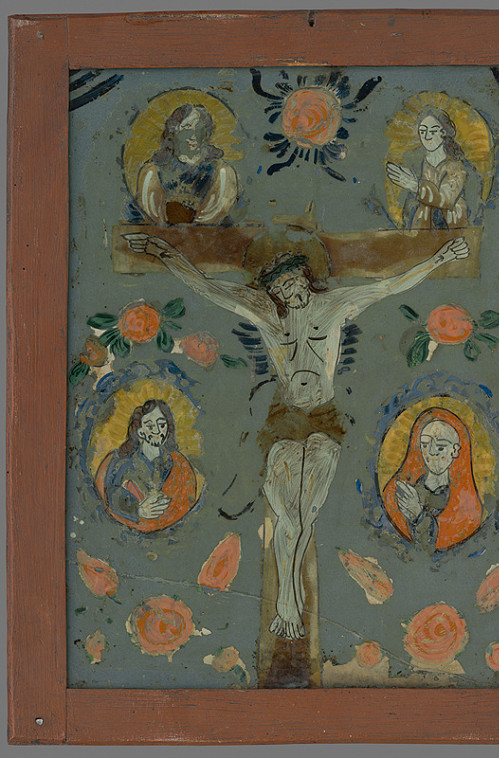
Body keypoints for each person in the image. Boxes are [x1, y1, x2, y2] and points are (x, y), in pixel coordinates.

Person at [124, 231, 469, 637]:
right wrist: (165, 251)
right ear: (272, 292)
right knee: (286, 513)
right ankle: (287, 598)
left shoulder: (333, 305)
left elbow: (388, 286)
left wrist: (440, 258)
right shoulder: (265, 313)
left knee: (308, 509)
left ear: (306, 276)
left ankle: (289, 599)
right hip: (285, 416)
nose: (290, 292)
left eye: (293, 281)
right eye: (281, 288)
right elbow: (206, 286)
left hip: (324, 417)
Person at [382, 407, 483, 551]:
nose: (431, 452)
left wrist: (418, 515)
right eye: (425, 444)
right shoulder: (401, 491)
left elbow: (441, 545)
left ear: (455, 451)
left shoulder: (467, 507)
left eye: (441, 447)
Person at [95, 399, 197, 532]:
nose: (157, 431)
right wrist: (137, 510)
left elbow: (186, 497)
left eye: (162, 425)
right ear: (140, 432)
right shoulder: (123, 460)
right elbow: (112, 492)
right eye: (150, 426)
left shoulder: (177, 462)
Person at [133, 103, 238, 225]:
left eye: (199, 128)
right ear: (173, 132)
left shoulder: (222, 171)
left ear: (206, 133)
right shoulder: (152, 172)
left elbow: (216, 213)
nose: (193, 135)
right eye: (187, 128)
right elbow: (153, 215)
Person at [386, 106, 469, 230]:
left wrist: (416, 186)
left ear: (443, 132)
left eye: (433, 131)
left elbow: (447, 199)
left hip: (451, 230)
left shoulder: (455, 166)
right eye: (423, 131)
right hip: (421, 230)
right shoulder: (416, 163)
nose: (427, 136)